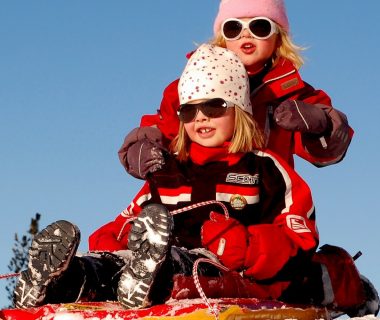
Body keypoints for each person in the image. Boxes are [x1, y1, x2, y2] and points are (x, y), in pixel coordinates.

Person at [14, 44, 377, 318]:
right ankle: (66, 279)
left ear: (239, 112)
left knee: (180, 267)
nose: (201, 117)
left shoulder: (265, 169)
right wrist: (113, 240)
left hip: (218, 268)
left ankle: (146, 274)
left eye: (215, 106)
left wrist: (246, 245)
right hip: (149, 260)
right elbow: (125, 220)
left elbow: (299, 240)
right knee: (112, 265)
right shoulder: (168, 170)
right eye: (190, 110)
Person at [120, 0, 353, 180]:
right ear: (223, 37)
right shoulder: (194, 84)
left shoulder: (292, 93)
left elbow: (327, 154)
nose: (246, 33)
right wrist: (141, 148)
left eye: (260, 26)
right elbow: (165, 127)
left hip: (266, 196)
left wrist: (320, 123)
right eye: (233, 27)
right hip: (202, 188)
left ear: (278, 37)